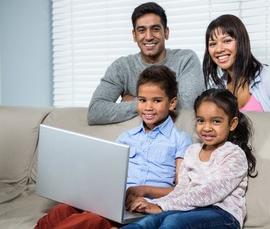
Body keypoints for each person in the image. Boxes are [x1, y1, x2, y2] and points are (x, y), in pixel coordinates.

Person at [34, 65, 192, 229]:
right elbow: (109, 178)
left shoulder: (180, 140)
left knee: (91, 221)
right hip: (114, 203)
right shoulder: (126, 138)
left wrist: (144, 190)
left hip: (143, 208)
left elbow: (183, 190)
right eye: (142, 100)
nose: (148, 107)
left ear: (172, 103)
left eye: (157, 101)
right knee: (62, 209)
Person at [122, 88, 257, 229]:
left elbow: (210, 193)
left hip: (223, 214)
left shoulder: (234, 154)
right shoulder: (192, 151)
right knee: (146, 222)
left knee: (173, 223)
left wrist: (161, 206)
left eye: (216, 122)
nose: (206, 128)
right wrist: (153, 203)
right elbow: (181, 189)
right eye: (201, 121)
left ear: (232, 124)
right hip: (188, 210)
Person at [88, 2, 205, 125]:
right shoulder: (121, 67)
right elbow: (95, 112)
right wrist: (138, 104)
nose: (148, 37)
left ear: (166, 32)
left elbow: (188, 107)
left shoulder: (185, 59)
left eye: (155, 29)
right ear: (134, 35)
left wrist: (133, 100)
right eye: (142, 30)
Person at [203, 14, 270, 113]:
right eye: (212, 44)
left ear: (241, 41)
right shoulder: (217, 89)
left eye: (227, 41)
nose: (219, 49)